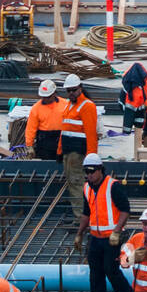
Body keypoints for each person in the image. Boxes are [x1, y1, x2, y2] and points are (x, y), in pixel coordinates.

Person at [76, 154, 134, 292]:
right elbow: (87, 213)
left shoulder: (112, 186)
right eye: (86, 172)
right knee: (95, 274)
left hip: (111, 238)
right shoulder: (87, 188)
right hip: (95, 237)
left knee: (111, 270)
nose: (89, 175)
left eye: (92, 171)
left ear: (100, 169)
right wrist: (79, 234)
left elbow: (125, 209)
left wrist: (117, 231)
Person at [59, 74, 98, 226]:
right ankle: (80, 218)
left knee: (77, 185)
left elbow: (91, 135)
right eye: (68, 91)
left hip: (78, 154)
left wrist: (91, 159)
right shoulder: (69, 105)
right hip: (68, 154)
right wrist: (59, 151)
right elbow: (65, 130)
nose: (71, 93)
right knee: (73, 185)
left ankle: (81, 220)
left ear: (80, 88)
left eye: (73, 90)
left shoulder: (87, 106)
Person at [24, 79, 66, 160]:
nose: (46, 99)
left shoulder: (65, 105)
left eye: (48, 97)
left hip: (62, 140)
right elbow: (30, 128)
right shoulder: (36, 108)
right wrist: (29, 146)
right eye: (44, 97)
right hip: (44, 143)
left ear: (54, 93)